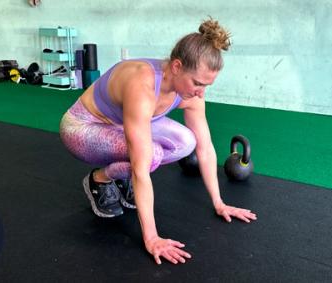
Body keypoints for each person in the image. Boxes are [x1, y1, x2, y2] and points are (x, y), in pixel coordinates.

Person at [59, 18, 257, 265]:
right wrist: (151, 237)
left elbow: (204, 148)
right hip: (83, 128)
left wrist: (220, 203)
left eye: (207, 86)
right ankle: (100, 179)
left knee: (186, 141)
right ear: (176, 66)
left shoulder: (191, 94)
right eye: (197, 83)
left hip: (122, 123)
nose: (201, 92)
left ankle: (118, 176)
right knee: (150, 155)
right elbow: (141, 167)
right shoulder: (141, 85)